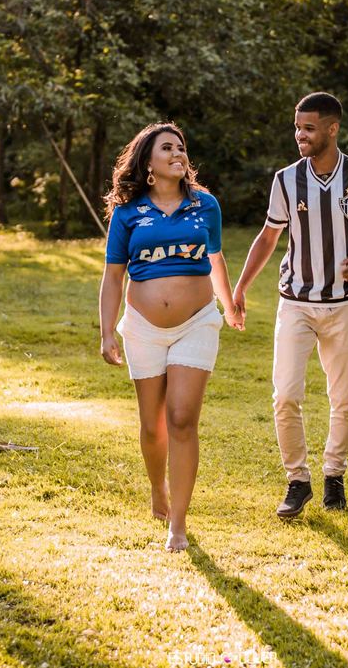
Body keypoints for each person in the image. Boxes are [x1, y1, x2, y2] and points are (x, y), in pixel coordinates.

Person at [233, 92, 348, 519]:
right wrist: (241, 287)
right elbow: (269, 237)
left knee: (343, 398)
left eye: (308, 128)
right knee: (285, 394)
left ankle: (334, 476)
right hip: (296, 303)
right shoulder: (286, 180)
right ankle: (297, 481)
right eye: (297, 128)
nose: (300, 135)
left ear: (332, 129)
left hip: (344, 305)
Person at [98, 122, 244, 552]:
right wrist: (107, 332)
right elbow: (113, 276)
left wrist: (229, 305)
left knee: (181, 418)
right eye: (167, 148)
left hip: (196, 322)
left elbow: (215, 258)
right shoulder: (128, 213)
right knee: (152, 426)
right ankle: (157, 487)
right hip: (142, 327)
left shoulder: (205, 205)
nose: (177, 153)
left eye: (181, 147)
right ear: (148, 162)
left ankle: (177, 524)